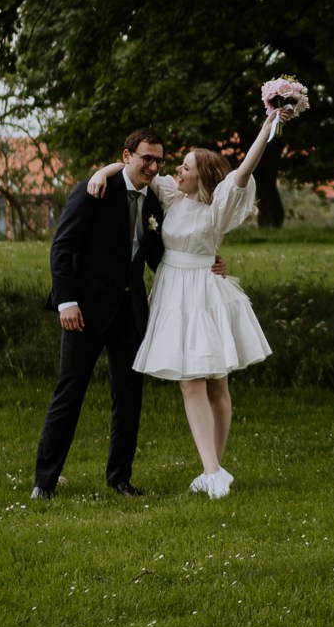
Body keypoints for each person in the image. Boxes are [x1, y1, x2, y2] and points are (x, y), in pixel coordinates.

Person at [87, 107, 281, 499]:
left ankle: (213, 469)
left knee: (215, 384)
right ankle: (213, 471)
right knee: (190, 382)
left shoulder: (218, 205)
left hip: (204, 293)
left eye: (186, 166)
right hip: (173, 292)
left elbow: (243, 170)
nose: (176, 169)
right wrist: (103, 171)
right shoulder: (171, 195)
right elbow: (135, 169)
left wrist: (268, 125)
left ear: (203, 175)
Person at [33, 128, 171, 500]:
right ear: (127, 156)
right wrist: (66, 301)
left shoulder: (155, 202)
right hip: (85, 311)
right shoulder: (94, 190)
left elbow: (158, 256)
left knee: (129, 397)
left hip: (130, 312)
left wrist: (203, 268)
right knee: (69, 393)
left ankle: (120, 478)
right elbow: (62, 248)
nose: (154, 166)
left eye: (159, 159)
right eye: (147, 158)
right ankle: (44, 482)